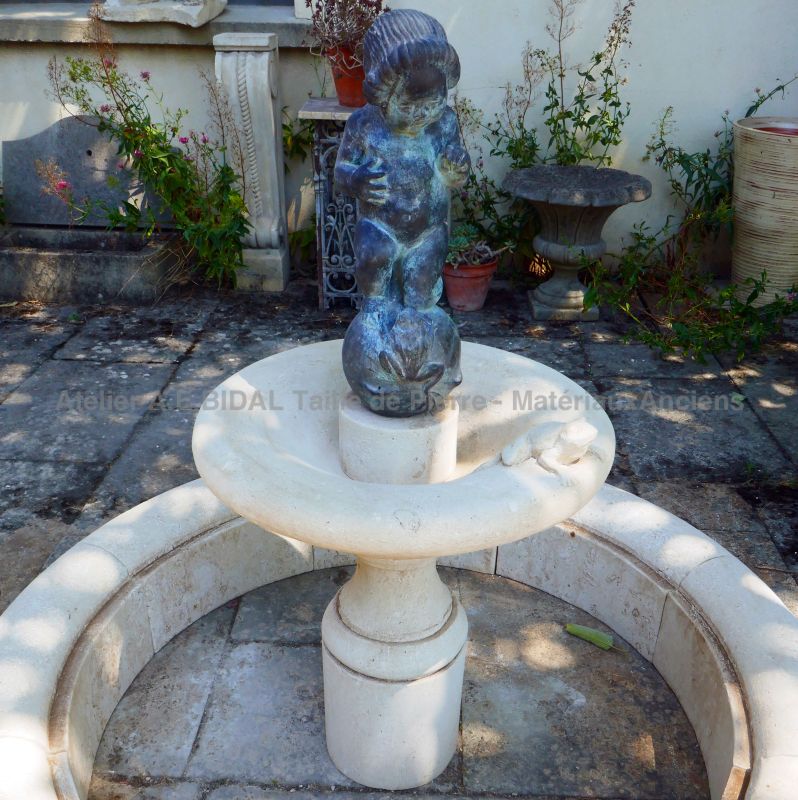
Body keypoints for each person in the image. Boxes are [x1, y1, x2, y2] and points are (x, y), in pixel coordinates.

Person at [335, 9, 470, 417]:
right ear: (384, 94)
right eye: (410, 107)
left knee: (423, 283)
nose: (421, 116)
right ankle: (376, 322)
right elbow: (341, 169)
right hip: (380, 225)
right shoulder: (364, 125)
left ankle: (419, 339)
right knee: (374, 264)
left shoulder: (444, 124)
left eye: (432, 104)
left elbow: (457, 169)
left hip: (427, 228)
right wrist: (356, 179)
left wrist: (454, 169)